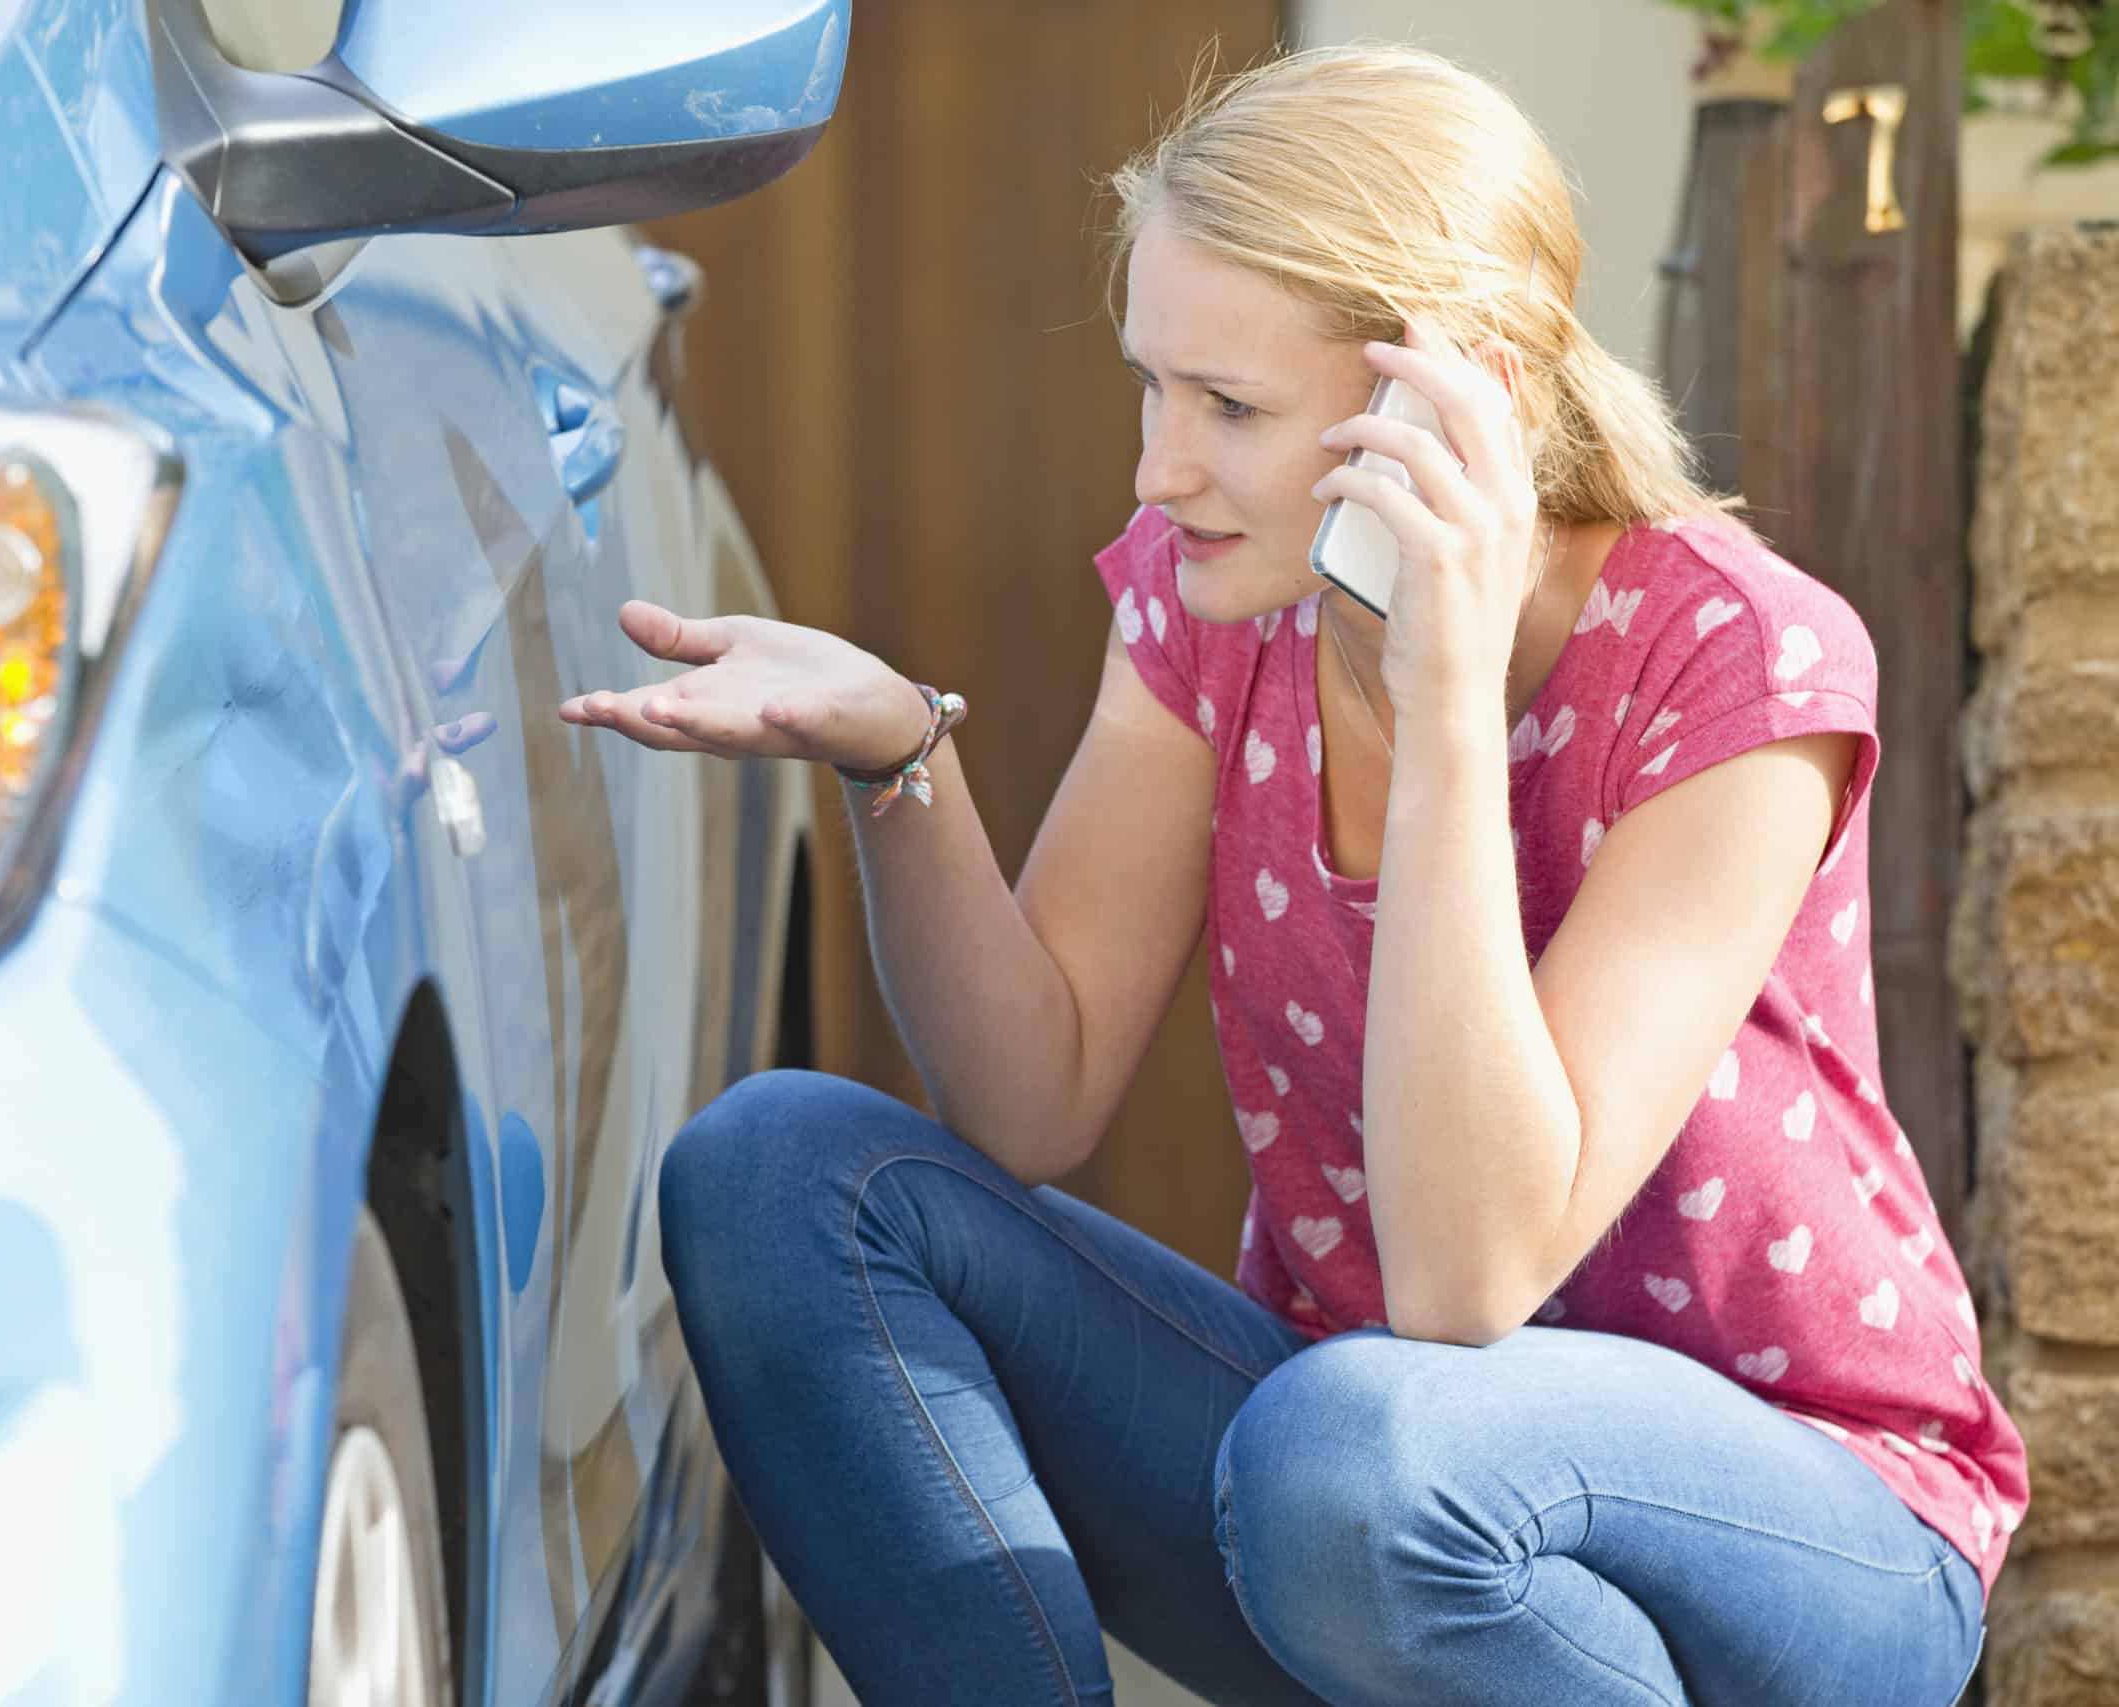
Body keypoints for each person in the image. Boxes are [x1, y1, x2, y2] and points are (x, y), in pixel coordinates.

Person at [558, 42, 2024, 1707]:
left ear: (1451, 400)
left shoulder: (1738, 665)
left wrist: (1444, 700)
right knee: (775, 1175)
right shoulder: (1210, 610)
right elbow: (1030, 1100)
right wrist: (900, 757)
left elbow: (1469, 1281)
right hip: (1355, 1509)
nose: (1156, 469)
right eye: (1151, 385)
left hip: (1798, 1532)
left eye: (1230, 407)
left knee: (1357, 1458)